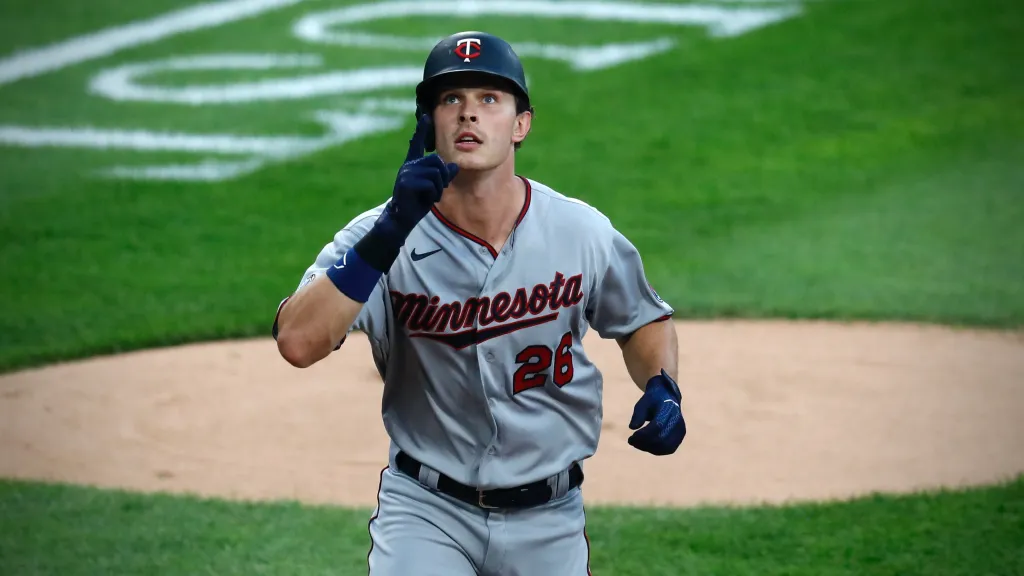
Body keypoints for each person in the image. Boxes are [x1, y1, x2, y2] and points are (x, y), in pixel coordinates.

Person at [272, 30, 686, 576]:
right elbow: (298, 342)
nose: (469, 115)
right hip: (426, 512)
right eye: (451, 100)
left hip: (551, 519)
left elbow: (641, 320)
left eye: (489, 99)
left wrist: (663, 385)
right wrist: (387, 235)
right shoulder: (377, 237)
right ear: (428, 123)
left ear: (521, 124)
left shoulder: (578, 230)